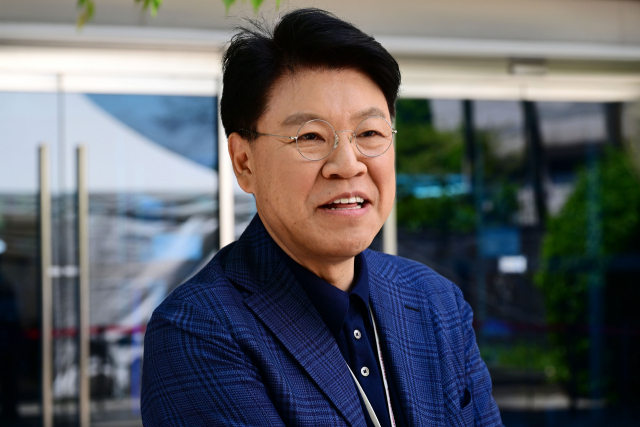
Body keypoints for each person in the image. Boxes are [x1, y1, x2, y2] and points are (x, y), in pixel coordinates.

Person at [141, 8, 502, 427]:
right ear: (244, 162)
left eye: (369, 133)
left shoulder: (436, 302)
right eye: (310, 137)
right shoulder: (197, 331)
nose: (347, 165)